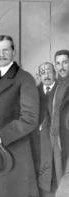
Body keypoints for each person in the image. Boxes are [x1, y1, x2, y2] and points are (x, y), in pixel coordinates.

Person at [0, 35, 40, 197]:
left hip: (14, 152)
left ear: (13, 52)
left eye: (5, 50)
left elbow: (30, 118)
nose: (1, 54)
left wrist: (3, 136)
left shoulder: (25, 79)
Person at [42, 50, 69, 197]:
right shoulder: (57, 85)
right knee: (59, 179)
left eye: (65, 62)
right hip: (55, 140)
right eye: (58, 63)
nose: (61, 67)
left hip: (66, 139)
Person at [32, 62, 58, 197]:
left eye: (49, 72)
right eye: (43, 72)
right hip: (39, 142)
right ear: (39, 76)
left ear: (55, 73)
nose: (46, 75)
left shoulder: (64, 91)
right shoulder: (34, 93)